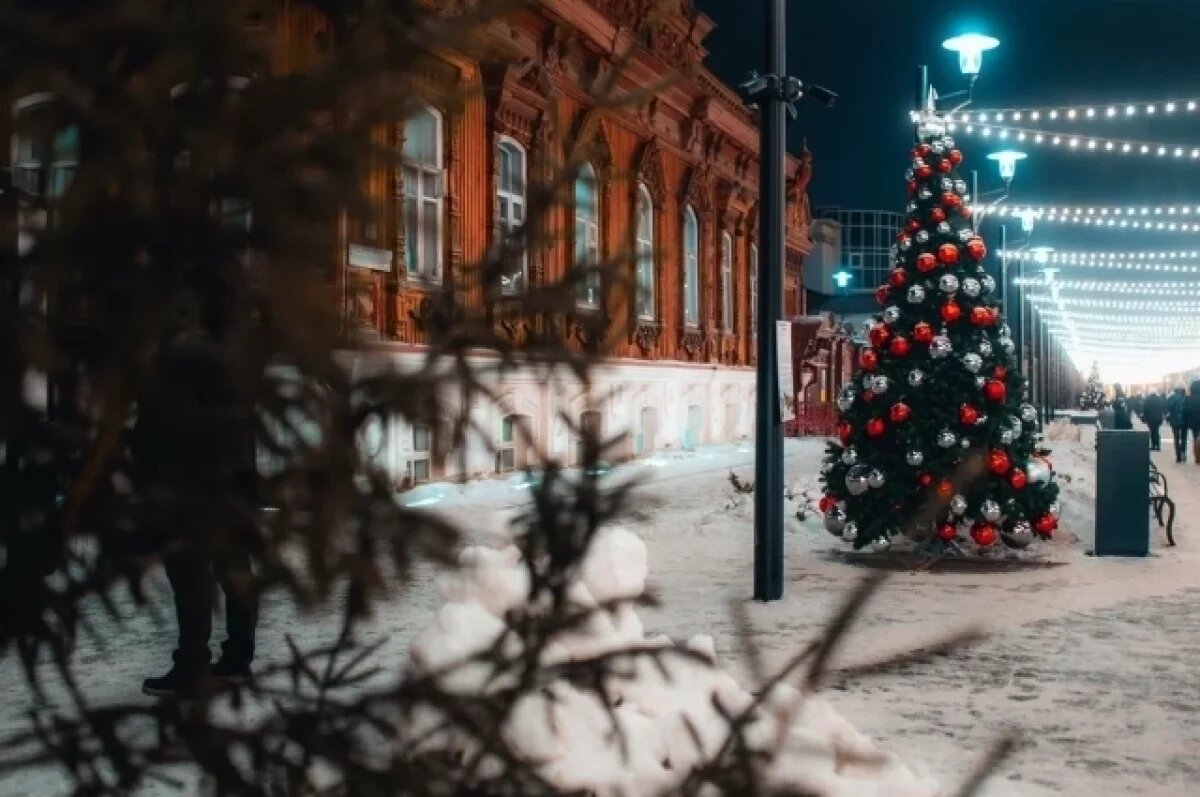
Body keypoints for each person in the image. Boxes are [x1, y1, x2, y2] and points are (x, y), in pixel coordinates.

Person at [135, 292, 261, 698]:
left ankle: (192, 666)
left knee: (190, 574)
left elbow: (159, 426)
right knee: (231, 568)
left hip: (189, 481)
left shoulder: (173, 360)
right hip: (230, 478)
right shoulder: (230, 355)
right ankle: (238, 657)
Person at [1167, 386, 1188, 463]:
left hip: (1175, 421)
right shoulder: (1186, 398)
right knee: (1184, 438)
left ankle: (1178, 456)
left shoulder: (1171, 398)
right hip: (1185, 420)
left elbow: (1168, 408)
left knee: (1176, 438)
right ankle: (1183, 452)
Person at [1185, 380, 1200, 465]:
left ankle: (1197, 458)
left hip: (1193, 422)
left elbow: (1186, 410)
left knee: (1195, 438)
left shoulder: (1188, 398)